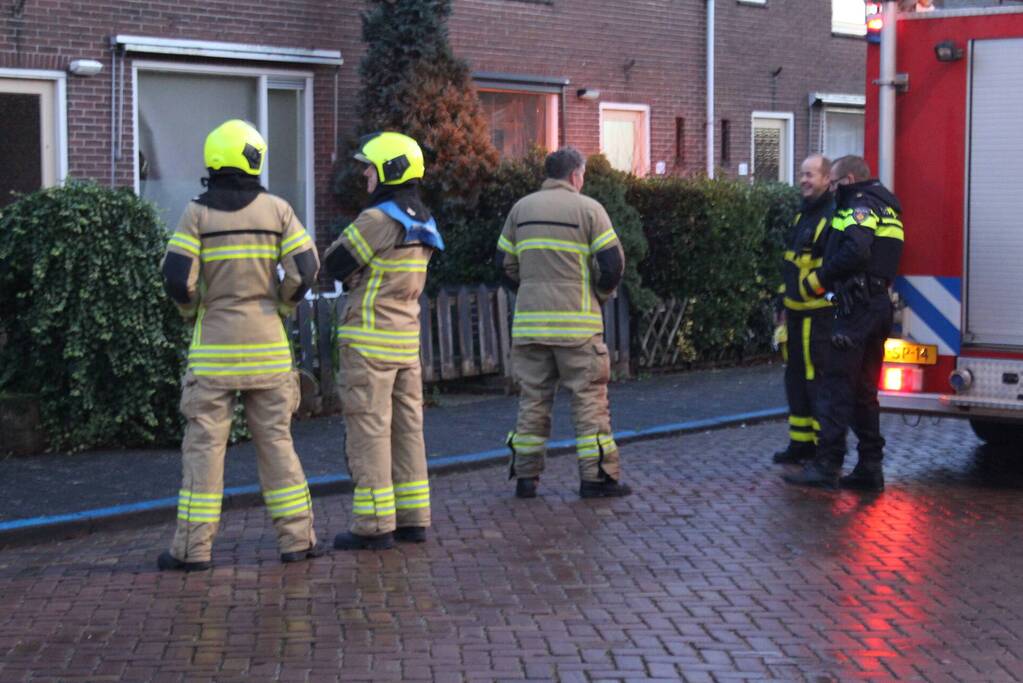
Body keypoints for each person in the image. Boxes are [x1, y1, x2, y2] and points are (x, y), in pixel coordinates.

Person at [158, 119, 322, 571]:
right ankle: (297, 541)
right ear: (254, 157)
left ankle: (193, 550)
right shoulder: (278, 210)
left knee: (204, 450)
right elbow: (307, 270)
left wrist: (193, 311)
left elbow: (176, 278)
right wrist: (282, 303)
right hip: (268, 351)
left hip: (213, 353)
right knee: (277, 443)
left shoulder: (197, 213)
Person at [323, 132, 443, 550]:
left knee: (370, 431)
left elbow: (336, 264)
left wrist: (356, 274)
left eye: (370, 167)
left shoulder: (377, 220)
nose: (365, 174)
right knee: (409, 430)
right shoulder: (423, 220)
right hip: (405, 343)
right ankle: (413, 519)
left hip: (368, 342)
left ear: (390, 170)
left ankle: (373, 524)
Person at [497, 147, 629, 499]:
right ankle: (596, 478)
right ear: (575, 175)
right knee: (589, 402)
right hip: (578, 328)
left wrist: (530, 291)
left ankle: (525, 478)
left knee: (533, 401)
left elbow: (504, 265)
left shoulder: (520, 209)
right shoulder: (589, 210)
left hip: (529, 327)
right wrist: (598, 294)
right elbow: (612, 264)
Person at [783, 155, 904, 492]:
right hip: (878, 305)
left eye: (835, 183)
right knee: (865, 392)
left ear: (848, 180)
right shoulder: (888, 206)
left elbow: (856, 251)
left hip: (856, 308)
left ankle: (827, 464)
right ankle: (869, 467)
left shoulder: (859, 206)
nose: (833, 190)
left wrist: (819, 279)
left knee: (836, 386)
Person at [772, 155, 835, 465]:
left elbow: (835, 266)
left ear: (827, 179)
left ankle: (825, 449)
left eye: (810, 175)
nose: (804, 180)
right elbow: (790, 263)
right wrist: (782, 302)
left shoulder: (831, 217)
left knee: (816, 381)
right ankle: (800, 444)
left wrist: (810, 289)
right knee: (795, 379)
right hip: (795, 314)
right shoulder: (802, 216)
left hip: (818, 317)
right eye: (802, 174)